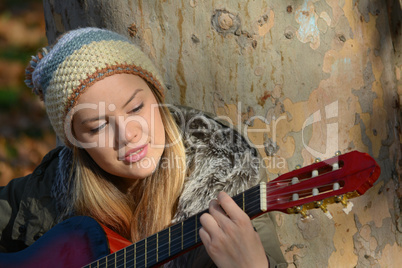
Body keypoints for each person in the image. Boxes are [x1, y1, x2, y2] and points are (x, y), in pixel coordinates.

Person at [0, 27, 286, 267]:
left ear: (157, 95)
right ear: (76, 143)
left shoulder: (231, 180)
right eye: (98, 127)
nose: (127, 135)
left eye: (136, 107)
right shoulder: (48, 192)